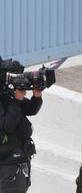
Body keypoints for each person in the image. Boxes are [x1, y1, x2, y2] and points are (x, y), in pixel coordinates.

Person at [0, 58, 43, 192]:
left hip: (18, 159)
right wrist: (17, 100)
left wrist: (37, 97)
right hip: (7, 164)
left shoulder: (5, 95)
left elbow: (30, 109)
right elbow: (6, 126)